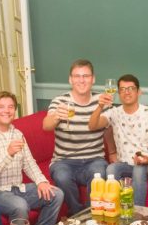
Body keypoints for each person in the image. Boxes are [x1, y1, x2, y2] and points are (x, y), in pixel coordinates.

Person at [0, 91, 64, 225]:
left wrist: (41, 181)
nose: (7, 111)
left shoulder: (17, 134)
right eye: (1, 107)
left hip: (17, 188)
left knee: (56, 194)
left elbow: (28, 162)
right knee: (20, 206)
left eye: (11, 107)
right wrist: (8, 153)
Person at [43, 59, 108, 214]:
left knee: (100, 172)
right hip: (64, 160)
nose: (81, 80)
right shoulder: (60, 101)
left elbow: (109, 127)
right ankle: (78, 214)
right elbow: (46, 126)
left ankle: (93, 213)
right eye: (77, 76)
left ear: (93, 79)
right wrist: (57, 116)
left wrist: (112, 154)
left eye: (86, 76)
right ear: (70, 79)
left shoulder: (102, 101)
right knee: (62, 176)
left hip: (94, 159)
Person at [88, 73, 148, 206]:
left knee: (139, 169)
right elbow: (92, 125)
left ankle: (137, 215)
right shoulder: (114, 112)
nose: (126, 92)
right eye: (122, 89)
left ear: (139, 92)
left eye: (131, 88)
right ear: (118, 93)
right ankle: (116, 210)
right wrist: (100, 106)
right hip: (125, 163)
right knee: (111, 169)